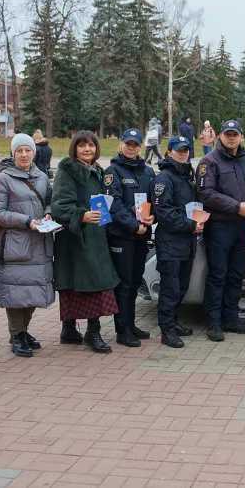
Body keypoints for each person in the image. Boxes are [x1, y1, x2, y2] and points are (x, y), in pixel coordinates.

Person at [51, 131, 120, 354]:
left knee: (93, 281)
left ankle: (70, 331)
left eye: (91, 145)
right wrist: (81, 215)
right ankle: (91, 332)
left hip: (95, 236)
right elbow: (60, 205)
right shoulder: (67, 171)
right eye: (82, 146)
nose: (87, 149)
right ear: (74, 149)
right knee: (85, 283)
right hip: (76, 237)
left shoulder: (97, 172)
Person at [0, 134, 55, 358]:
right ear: (13, 153)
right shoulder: (3, 179)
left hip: (40, 242)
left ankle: (23, 330)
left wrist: (47, 215)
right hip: (16, 244)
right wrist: (26, 221)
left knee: (34, 288)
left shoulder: (42, 177)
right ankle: (16, 334)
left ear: (33, 152)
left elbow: (49, 202)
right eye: (19, 151)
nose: (24, 154)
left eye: (28, 150)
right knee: (15, 289)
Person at [196, 119, 245, 341]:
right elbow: (206, 194)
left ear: (241, 137)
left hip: (242, 227)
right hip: (220, 227)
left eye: (235, 134)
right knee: (218, 275)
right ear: (219, 136)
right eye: (227, 134)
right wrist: (236, 206)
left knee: (236, 275)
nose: (231, 137)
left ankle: (231, 319)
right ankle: (214, 323)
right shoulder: (208, 161)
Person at [104, 128, 155, 348]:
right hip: (122, 236)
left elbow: (154, 199)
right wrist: (135, 226)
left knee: (135, 283)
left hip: (142, 236)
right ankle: (122, 330)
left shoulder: (148, 172)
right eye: (128, 144)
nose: (132, 148)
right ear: (121, 144)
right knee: (123, 285)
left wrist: (153, 216)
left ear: (140, 147)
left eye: (135, 145)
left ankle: (131, 324)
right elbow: (113, 205)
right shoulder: (112, 172)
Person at [151, 136, 202, 348]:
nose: (183, 153)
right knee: (170, 289)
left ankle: (173, 322)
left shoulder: (186, 175)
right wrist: (190, 224)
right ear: (169, 152)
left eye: (186, 150)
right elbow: (163, 212)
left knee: (181, 287)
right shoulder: (164, 178)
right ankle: (167, 330)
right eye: (178, 150)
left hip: (186, 243)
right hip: (171, 243)